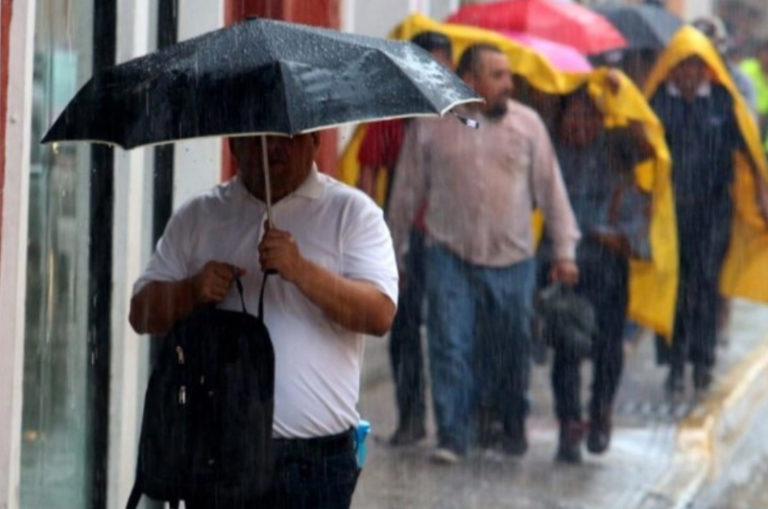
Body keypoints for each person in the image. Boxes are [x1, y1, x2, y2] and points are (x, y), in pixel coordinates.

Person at [129, 133, 398, 508]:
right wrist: (191, 290)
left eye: (287, 137)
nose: (274, 147)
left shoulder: (353, 214)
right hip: (219, 458)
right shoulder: (199, 216)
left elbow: (379, 314)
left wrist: (300, 270)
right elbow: (141, 314)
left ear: (315, 140)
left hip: (314, 466)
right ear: (234, 146)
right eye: (259, 137)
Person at [388, 43, 580, 463]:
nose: (508, 84)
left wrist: (565, 251)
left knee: (511, 350)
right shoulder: (432, 125)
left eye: (509, 75)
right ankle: (452, 435)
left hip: (513, 261)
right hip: (448, 255)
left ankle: (510, 424)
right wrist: (393, 254)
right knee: (449, 345)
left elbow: (552, 192)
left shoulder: (528, 125)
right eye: (498, 76)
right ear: (469, 80)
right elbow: (405, 194)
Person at [542, 89, 653, 463]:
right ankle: (569, 423)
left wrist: (619, 92)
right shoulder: (550, 154)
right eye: (573, 116)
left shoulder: (617, 148)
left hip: (609, 265)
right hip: (565, 265)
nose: (580, 125)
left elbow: (651, 146)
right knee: (567, 347)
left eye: (589, 116)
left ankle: (601, 412)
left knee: (608, 347)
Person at [355, 31, 453, 446]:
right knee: (407, 328)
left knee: (453, 331)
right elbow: (368, 174)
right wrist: (369, 238)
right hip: (402, 238)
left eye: (443, 65)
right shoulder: (390, 115)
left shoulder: (459, 117)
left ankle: (457, 423)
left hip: (449, 238)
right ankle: (412, 417)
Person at [649, 55, 744, 394]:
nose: (688, 73)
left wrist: (761, 193)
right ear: (672, 69)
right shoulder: (659, 102)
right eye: (682, 66)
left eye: (694, 67)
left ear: (705, 70)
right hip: (671, 212)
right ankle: (675, 363)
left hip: (713, 210)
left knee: (706, 286)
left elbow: (746, 147)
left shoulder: (721, 101)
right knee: (674, 286)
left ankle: (702, 360)